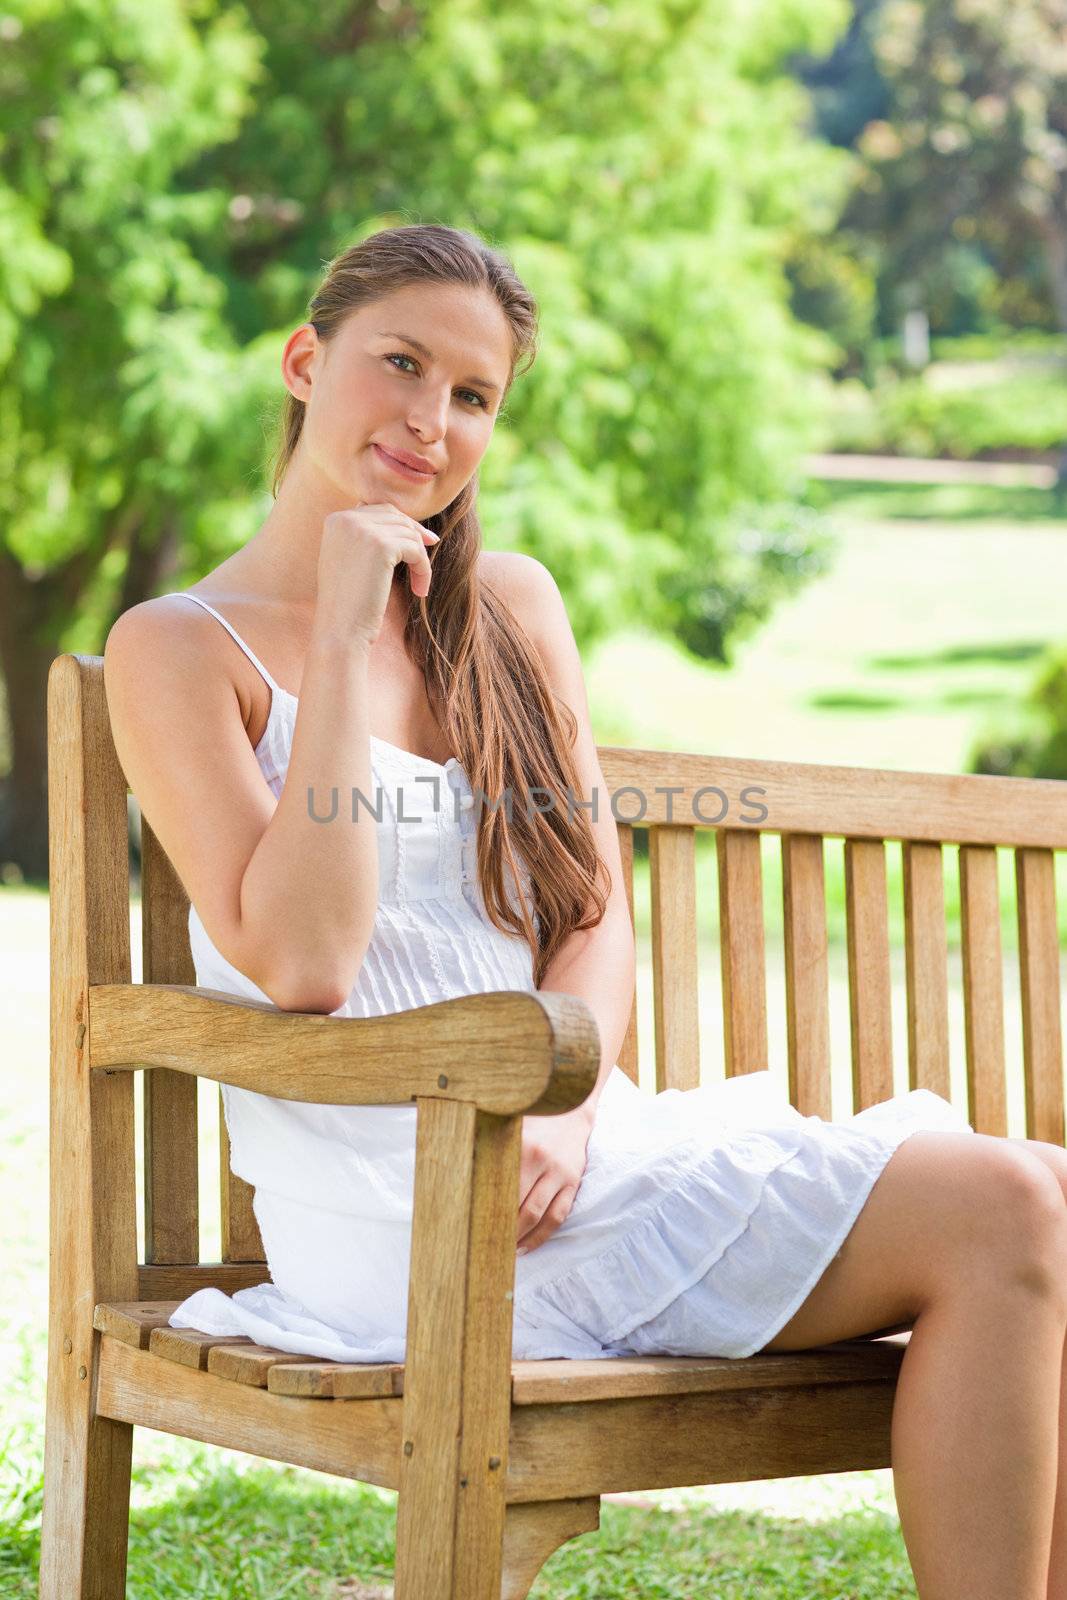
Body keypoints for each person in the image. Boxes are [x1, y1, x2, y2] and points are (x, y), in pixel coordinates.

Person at [104, 223, 1067, 1597]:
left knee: (1046, 1200)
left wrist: (562, 1103)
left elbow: (594, 919)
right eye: (402, 366)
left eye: (475, 396)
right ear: (307, 363)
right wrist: (333, 620)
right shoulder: (181, 646)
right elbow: (305, 963)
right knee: (999, 1207)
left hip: (559, 1149)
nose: (433, 422)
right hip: (396, 1210)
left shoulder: (506, 607)